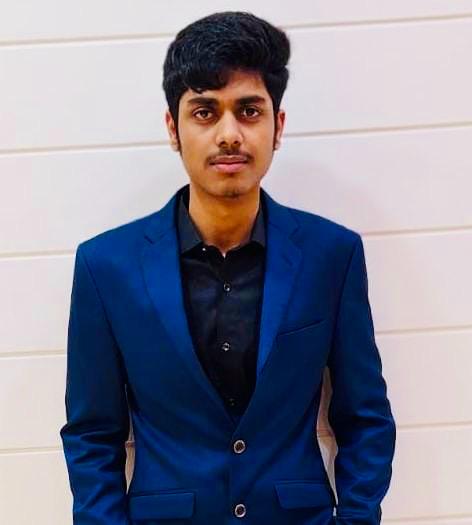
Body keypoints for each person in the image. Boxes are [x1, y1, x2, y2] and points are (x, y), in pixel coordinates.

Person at [60, 11, 395, 525]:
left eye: (249, 111)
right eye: (204, 112)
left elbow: (365, 418)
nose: (229, 134)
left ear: (277, 126)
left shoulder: (332, 254)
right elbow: (92, 435)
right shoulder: (106, 267)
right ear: (173, 128)